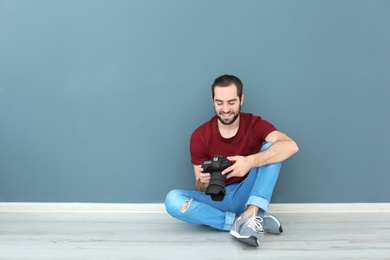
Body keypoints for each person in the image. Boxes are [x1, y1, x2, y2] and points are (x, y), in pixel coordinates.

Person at [165, 74, 298, 247]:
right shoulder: (200, 136)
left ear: (241, 99)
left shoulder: (254, 124)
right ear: (212, 100)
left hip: (247, 193)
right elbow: (198, 186)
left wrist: (250, 162)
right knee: (172, 199)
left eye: (231, 102)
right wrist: (203, 182)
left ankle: (251, 212)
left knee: (272, 149)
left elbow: (291, 146)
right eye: (219, 102)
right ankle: (240, 222)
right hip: (216, 198)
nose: (225, 109)